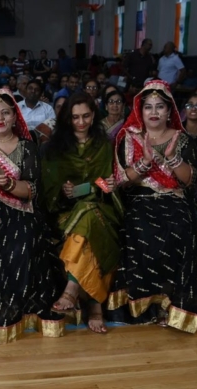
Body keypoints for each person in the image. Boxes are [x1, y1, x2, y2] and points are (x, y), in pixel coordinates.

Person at [109, 80, 197, 332]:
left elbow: (188, 180)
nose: (154, 112)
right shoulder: (129, 137)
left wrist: (171, 157)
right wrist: (145, 163)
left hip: (175, 198)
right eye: (148, 107)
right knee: (141, 230)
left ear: (169, 111)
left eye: (160, 106)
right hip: (140, 199)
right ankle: (150, 305)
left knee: (183, 229)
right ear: (140, 110)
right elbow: (122, 180)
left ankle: (176, 303)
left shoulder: (182, 139)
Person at [0, 89, 66, 343]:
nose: (0, 118)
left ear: (15, 116)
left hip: (19, 210)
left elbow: (31, 191)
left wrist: (7, 184)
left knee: (18, 243)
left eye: (5, 113)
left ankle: (8, 310)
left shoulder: (27, 147)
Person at [41, 92, 123, 333]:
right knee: (89, 221)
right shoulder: (55, 148)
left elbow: (107, 182)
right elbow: (48, 187)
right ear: (67, 118)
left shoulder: (104, 145)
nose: (81, 122)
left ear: (94, 116)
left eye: (86, 116)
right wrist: (63, 190)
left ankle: (71, 290)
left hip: (102, 206)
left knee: (89, 213)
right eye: (75, 117)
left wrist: (101, 186)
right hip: (66, 211)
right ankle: (95, 306)